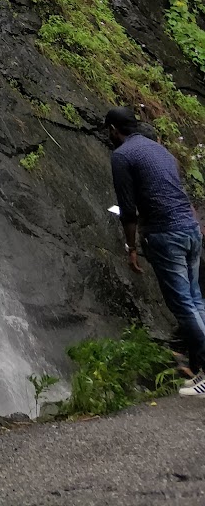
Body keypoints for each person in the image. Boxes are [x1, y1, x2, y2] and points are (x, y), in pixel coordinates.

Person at [107, 105, 205, 396]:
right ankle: (199, 368)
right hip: (191, 230)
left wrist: (131, 247)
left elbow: (127, 209)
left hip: (166, 235)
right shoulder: (161, 151)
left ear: (113, 130)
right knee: (196, 299)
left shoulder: (122, 155)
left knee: (183, 305)